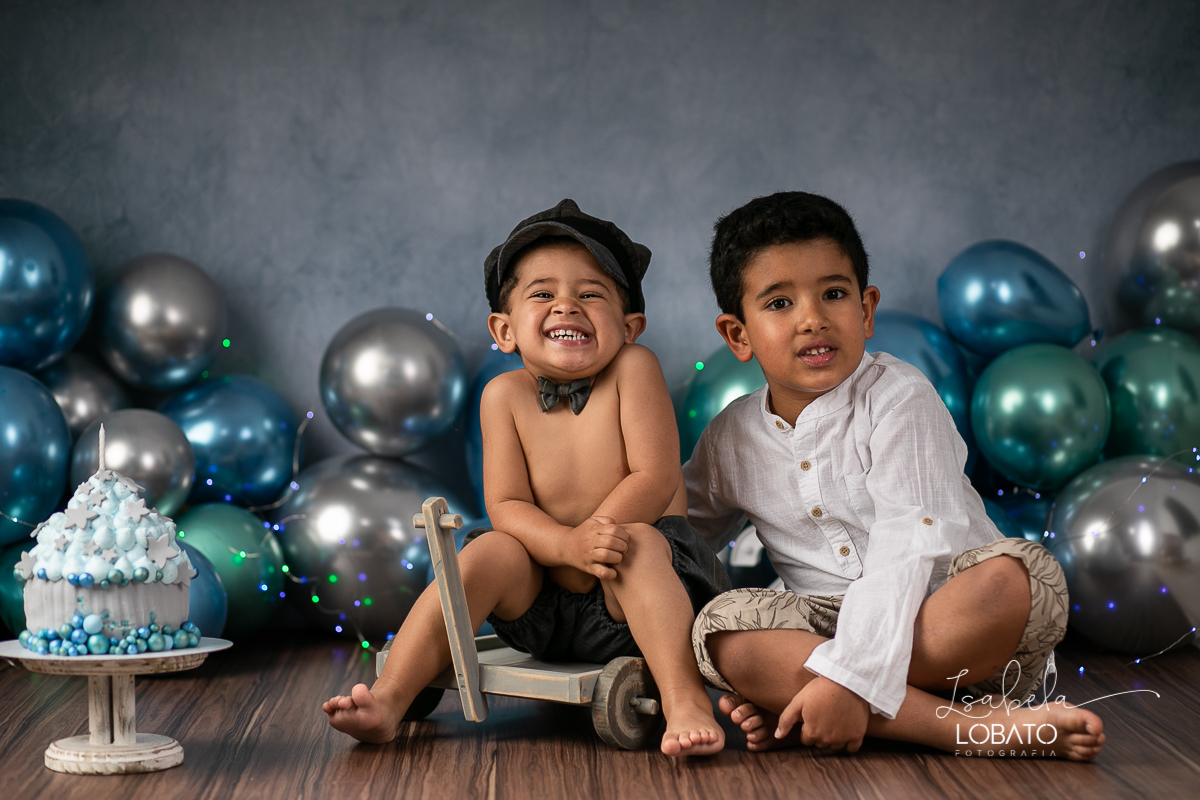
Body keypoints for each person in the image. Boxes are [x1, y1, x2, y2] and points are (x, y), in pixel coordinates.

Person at [684, 191, 1105, 760]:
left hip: (941, 621)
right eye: (779, 304)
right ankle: (957, 727)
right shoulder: (731, 437)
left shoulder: (899, 397)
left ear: (866, 309)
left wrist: (846, 678)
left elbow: (908, 539)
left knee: (1013, 579)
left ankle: (818, 696)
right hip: (823, 631)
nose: (812, 318)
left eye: (834, 294)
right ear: (738, 335)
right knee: (719, 629)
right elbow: (682, 534)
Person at [324, 199, 731, 756]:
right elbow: (508, 502)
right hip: (539, 602)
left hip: (629, 600)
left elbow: (655, 475)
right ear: (504, 329)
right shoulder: (503, 396)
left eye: (591, 294)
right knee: (489, 550)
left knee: (637, 543)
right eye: (542, 294)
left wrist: (598, 539)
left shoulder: (636, 370)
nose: (567, 305)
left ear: (630, 326)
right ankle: (391, 697)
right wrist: (566, 545)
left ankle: (684, 698)